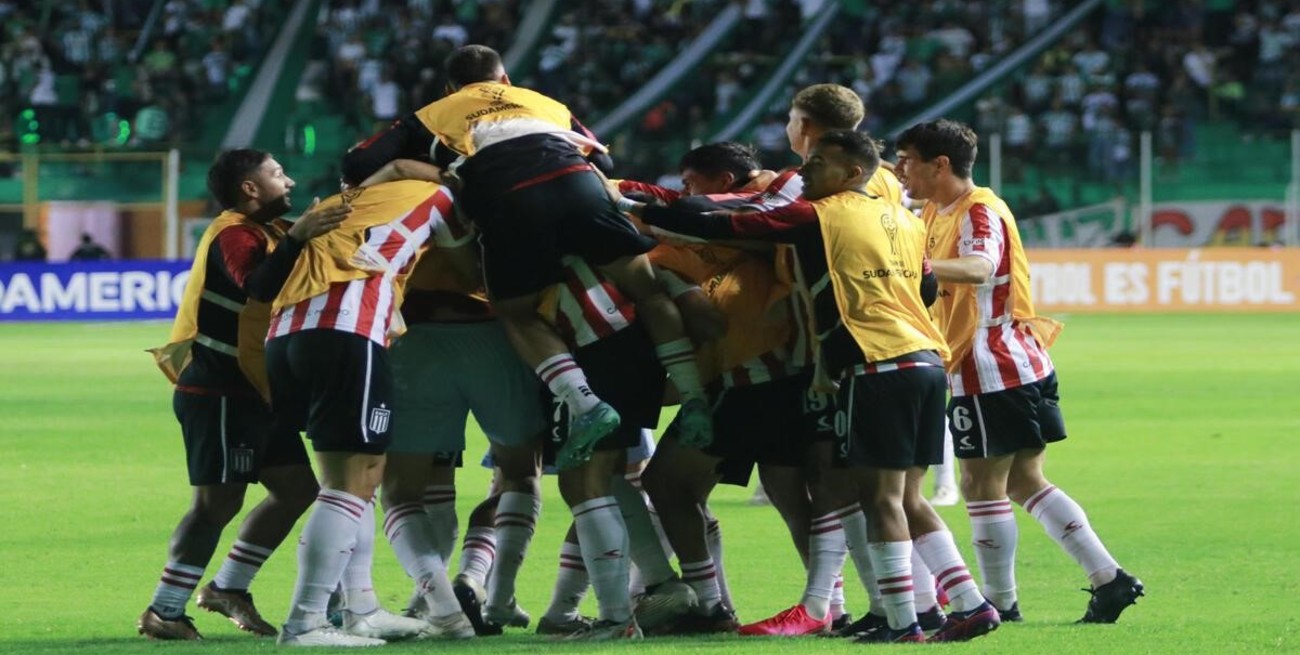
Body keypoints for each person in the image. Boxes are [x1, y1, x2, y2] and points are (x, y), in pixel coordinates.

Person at [624, 130, 1000, 643]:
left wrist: (638, 208)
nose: (803, 173)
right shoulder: (908, 221)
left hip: (876, 363)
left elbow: (730, 223)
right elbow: (927, 285)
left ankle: (903, 622)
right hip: (926, 360)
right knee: (908, 497)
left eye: (818, 164)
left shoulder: (820, 214)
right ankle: (968, 604)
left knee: (880, 498)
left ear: (850, 174)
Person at [340, 44, 714, 467]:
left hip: (510, 199)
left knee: (515, 311)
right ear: (504, 80)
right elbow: (604, 160)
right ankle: (694, 397)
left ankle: (586, 402)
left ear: (449, 88)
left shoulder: (431, 113)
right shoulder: (546, 102)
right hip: (578, 185)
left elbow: (358, 162)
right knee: (647, 291)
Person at [894, 119, 1144, 624]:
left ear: (939, 165)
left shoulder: (978, 210)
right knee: (1026, 481)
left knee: (981, 486)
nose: (901, 171)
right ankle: (1109, 578)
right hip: (1012, 363)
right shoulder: (935, 211)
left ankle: (1001, 603)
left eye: (907, 160)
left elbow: (980, 268)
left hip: (990, 366)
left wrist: (905, 264)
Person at [138, 149, 347, 640]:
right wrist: (299, 235)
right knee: (215, 505)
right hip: (219, 391)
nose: (289, 180)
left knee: (298, 491)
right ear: (249, 188)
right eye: (277, 174)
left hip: (254, 390)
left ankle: (229, 586)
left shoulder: (271, 232)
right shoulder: (234, 233)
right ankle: (164, 611)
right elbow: (256, 285)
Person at [266, 177, 476, 646]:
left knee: (357, 477)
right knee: (352, 481)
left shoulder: (345, 200)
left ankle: (360, 609)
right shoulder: (435, 195)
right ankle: (305, 622)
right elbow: (469, 273)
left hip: (287, 336)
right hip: (347, 329)